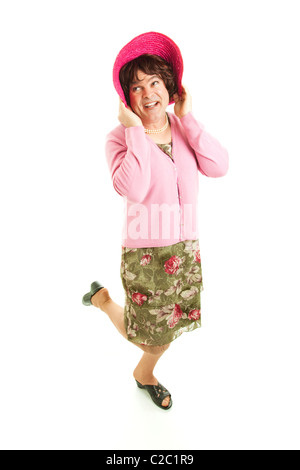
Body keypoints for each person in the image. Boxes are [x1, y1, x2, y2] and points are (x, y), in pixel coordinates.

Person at [82, 32, 229, 410]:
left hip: (185, 249)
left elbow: (219, 166)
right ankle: (112, 318)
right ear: (125, 97)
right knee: (151, 338)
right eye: (136, 86)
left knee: (171, 328)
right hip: (146, 255)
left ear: (170, 87)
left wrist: (189, 117)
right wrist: (135, 131)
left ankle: (139, 366)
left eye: (155, 82)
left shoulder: (183, 127)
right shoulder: (118, 139)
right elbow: (133, 186)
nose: (148, 93)